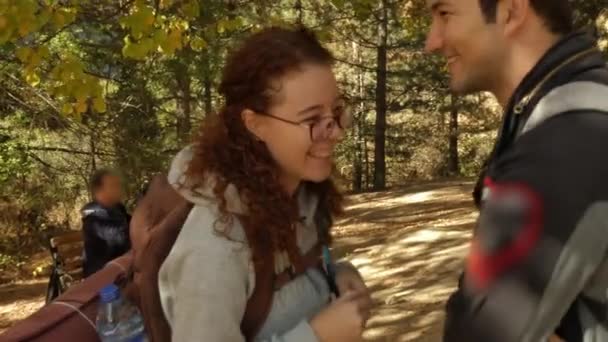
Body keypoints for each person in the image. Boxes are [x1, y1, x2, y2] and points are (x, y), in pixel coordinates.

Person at [158, 27, 372, 342]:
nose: (336, 132)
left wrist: (336, 274)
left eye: (337, 112)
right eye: (312, 120)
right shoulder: (215, 249)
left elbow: (290, 283)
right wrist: (316, 337)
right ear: (255, 124)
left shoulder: (300, 195)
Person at [424, 0, 608, 341]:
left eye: (444, 14)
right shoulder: (570, 106)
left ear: (511, 10)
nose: (432, 41)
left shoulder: (564, 141)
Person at [81, 169, 131, 277]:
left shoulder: (117, 208)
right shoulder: (94, 218)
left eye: (119, 185)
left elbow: (133, 223)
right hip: (103, 280)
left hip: (122, 270)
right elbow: (122, 237)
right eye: (114, 185)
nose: (119, 189)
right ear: (99, 190)